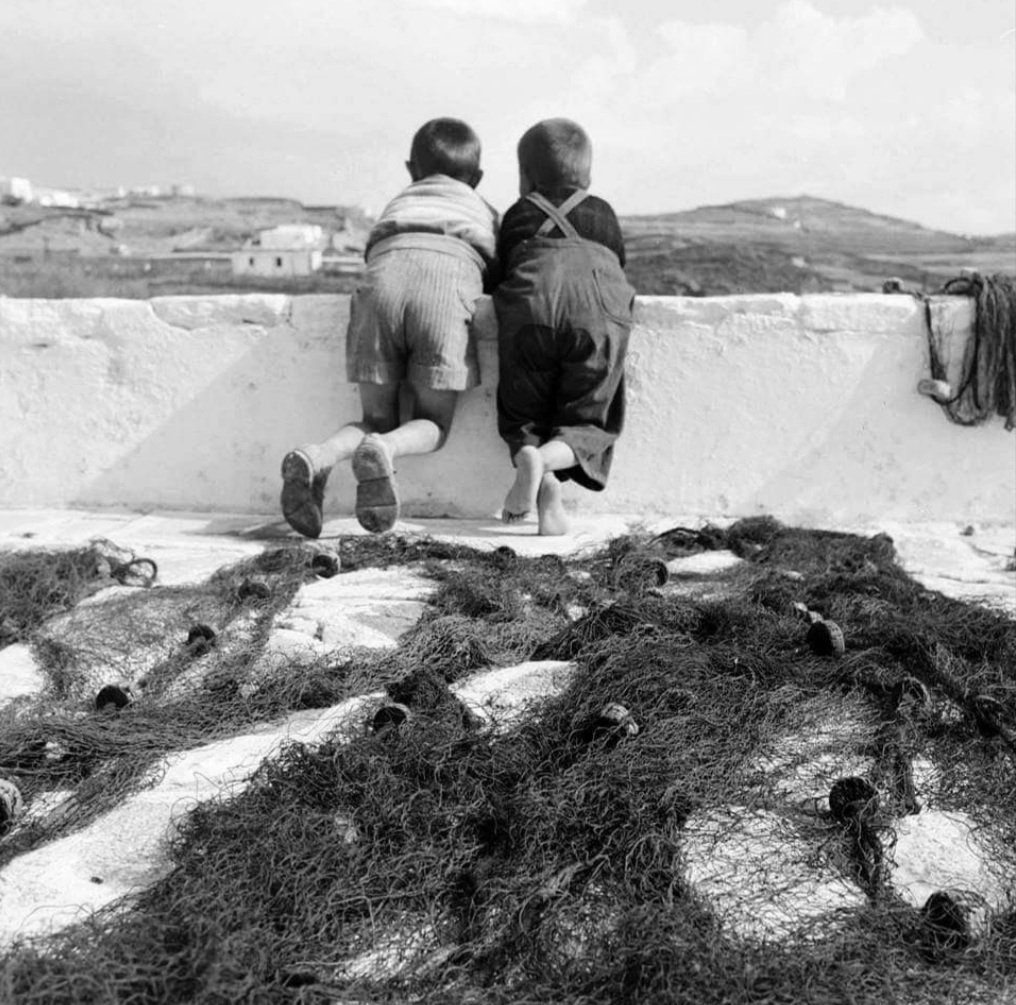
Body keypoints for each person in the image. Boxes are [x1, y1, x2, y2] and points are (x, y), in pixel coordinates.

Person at [280, 118, 498, 536]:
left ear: (410, 169)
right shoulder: (483, 210)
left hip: (381, 284)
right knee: (434, 422)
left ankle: (318, 455)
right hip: (446, 283)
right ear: (478, 178)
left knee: (374, 416)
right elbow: (497, 272)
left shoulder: (398, 202)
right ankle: (385, 449)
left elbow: (373, 252)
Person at [494, 118, 635, 535]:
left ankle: (531, 459)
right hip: (594, 314)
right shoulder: (603, 212)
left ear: (524, 177)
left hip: (530, 307)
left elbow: (499, 273)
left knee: (522, 411)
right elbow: (618, 267)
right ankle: (550, 467)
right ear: (587, 175)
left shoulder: (518, 213)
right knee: (589, 418)